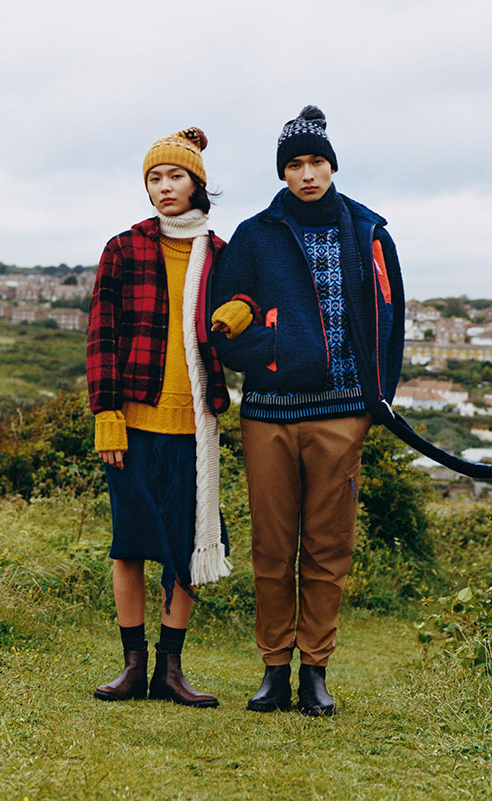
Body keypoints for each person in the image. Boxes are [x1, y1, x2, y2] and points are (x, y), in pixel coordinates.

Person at [208, 106, 406, 716]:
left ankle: (315, 670)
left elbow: (391, 321)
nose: (308, 174)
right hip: (268, 414)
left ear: (332, 166)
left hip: (343, 414)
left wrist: (377, 400)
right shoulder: (254, 235)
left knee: (327, 548)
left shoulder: (369, 232)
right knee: (272, 549)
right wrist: (273, 350)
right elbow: (221, 322)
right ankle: (274, 669)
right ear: (283, 173)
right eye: (295, 165)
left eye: (317, 161)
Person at [87, 127, 231, 708]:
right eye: (154, 178)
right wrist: (107, 415)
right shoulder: (123, 249)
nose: (165, 186)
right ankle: (132, 666)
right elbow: (101, 336)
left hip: (195, 428)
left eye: (175, 176)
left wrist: (243, 312)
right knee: (130, 545)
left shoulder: (220, 255)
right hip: (133, 424)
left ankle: (171, 670)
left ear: (197, 183)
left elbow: (246, 309)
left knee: (188, 546)